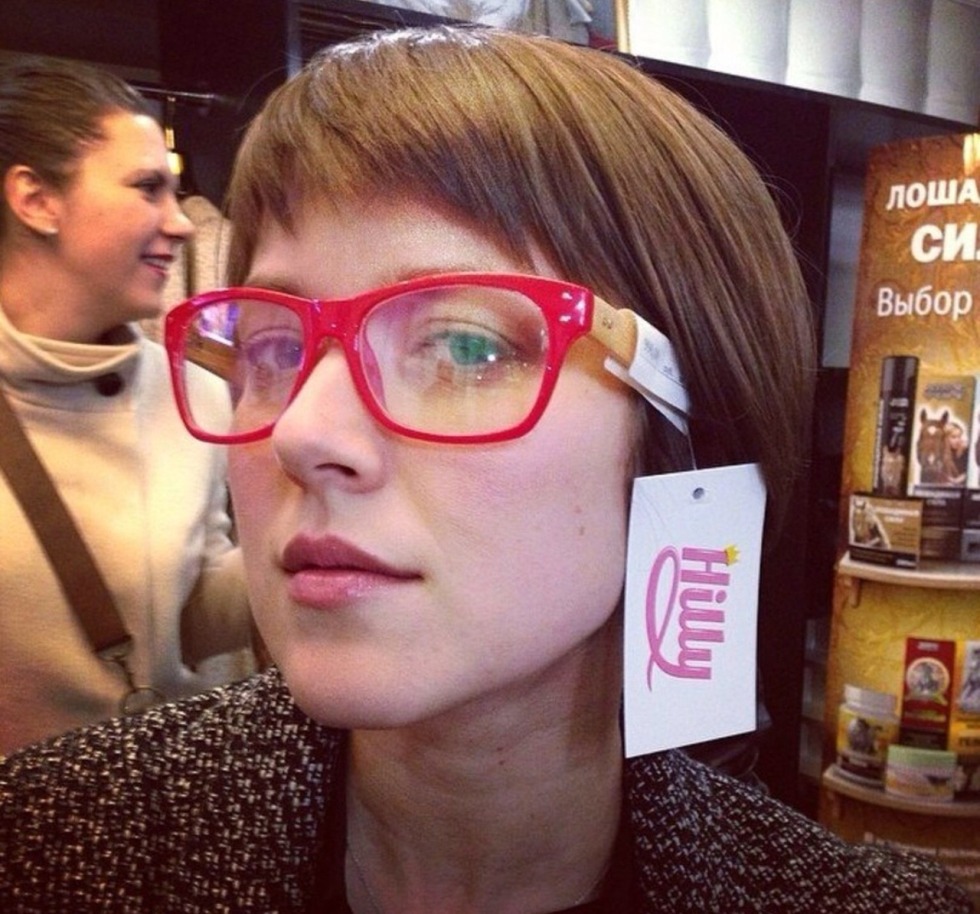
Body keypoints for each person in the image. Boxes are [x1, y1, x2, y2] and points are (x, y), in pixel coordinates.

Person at [0, 26, 971, 914]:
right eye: (275, 345)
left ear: (682, 429)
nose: (302, 430)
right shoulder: (52, 842)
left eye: (464, 347)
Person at [0, 56, 253, 756]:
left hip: (159, 788)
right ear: (36, 200)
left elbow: (188, 621)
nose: (181, 223)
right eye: (148, 188)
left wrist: (297, 530)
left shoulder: (195, 393)